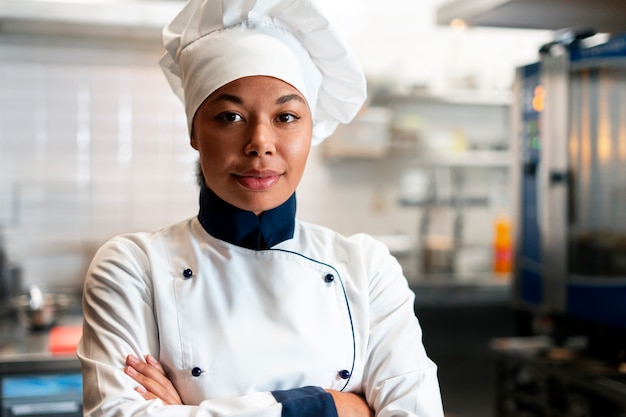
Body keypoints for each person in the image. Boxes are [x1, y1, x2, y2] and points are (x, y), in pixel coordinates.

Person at [77, 0, 444, 416]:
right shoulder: (132, 267)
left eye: (286, 116)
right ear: (195, 131)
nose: (260, 143)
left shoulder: (367, 268)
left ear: (311, 130)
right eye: (230, 116)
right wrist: (333, 407)